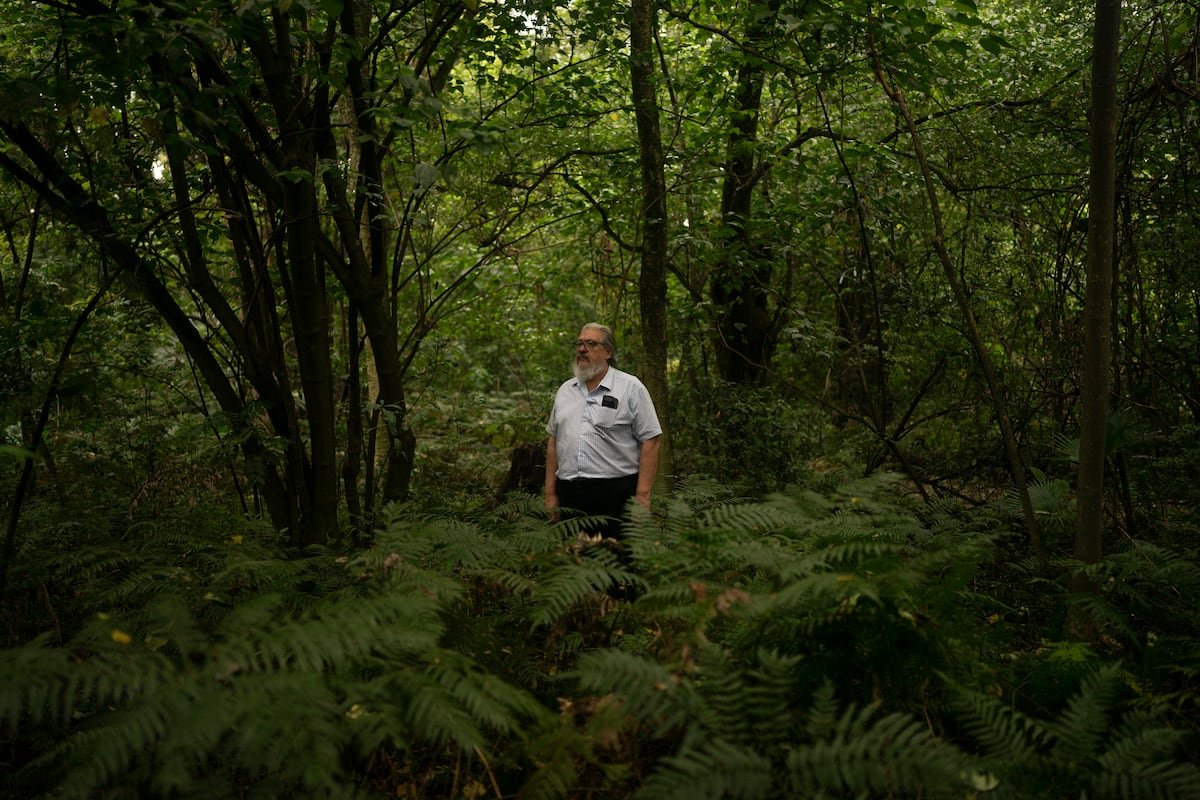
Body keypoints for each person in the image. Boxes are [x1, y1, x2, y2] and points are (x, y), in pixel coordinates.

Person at [544, 323, 662, 547]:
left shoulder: (630, 387)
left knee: (615, 563)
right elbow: (553, 442)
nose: (582, 349)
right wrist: (550, 494)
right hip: (569, 495)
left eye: (591, 344)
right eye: (579, 343)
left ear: (608, 352)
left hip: (615, 495)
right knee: (573, 562)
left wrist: (643, 496)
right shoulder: (565, 390)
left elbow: (651, 439)